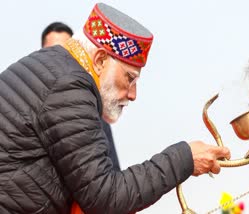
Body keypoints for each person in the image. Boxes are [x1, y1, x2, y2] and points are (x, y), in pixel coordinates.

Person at [0, 3, 231, 214]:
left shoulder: (54, 68)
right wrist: (184, 158)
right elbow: (105, 197)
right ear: (100, 61)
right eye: (129, 78)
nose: (133, 94)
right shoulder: (69, 86)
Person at [41, 21, 121, 171]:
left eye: (64, 51)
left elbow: (112, 171)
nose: (57, 58)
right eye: (52, 52)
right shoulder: (26, 105)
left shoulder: (94, 112)